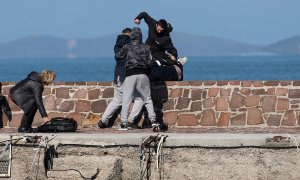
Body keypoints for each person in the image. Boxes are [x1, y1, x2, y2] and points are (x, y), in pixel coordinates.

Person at [115, 27, 158, 131]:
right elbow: (151, 62)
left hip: (130, 75)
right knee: (147, 99)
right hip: (143, 75)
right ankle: (153, 121)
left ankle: (124, 123)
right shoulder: (146, 47)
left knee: (126, 100)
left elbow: (118, 56)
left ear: (132, 36)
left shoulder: (127, 46)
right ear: (141, 36)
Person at [134, 12, 187, 81]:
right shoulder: (152, 23)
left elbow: (171, 48)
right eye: (158, 29)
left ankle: (178, 62)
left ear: (164, 29)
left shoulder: (166, 37)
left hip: (158, 53)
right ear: (156, 25)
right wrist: (138, 18)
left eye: (161, 30)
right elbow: (145, 14)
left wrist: (174, 55)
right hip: (147, 49)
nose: (159, 32)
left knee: (165, 60)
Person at [98, 28, 132, 128]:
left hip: (117, 74)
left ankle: (103, 120)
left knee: (117, 100)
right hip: (126, 74)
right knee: (128, 99)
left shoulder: (117, 45)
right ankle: (125, 122)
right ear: (130, 34)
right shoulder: (129, 45)